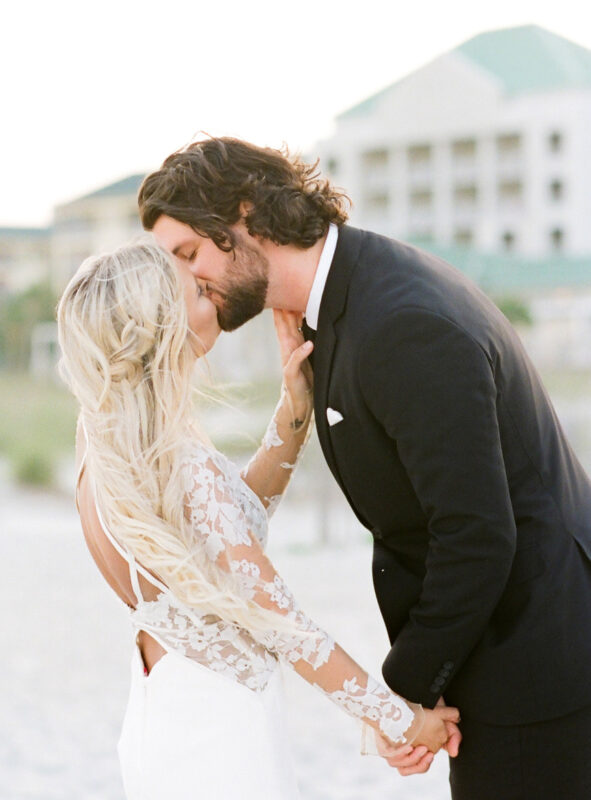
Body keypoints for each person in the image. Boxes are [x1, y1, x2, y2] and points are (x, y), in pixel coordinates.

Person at [138, 136, 591, 800]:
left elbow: (474, 536)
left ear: (243, 215)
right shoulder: (353, 297)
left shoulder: (402, 321)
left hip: (536, 668)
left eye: (189, 253)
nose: (190, 280)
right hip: (508, 654)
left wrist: (403, 695)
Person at [56, 238, 457, 800]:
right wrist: (402, 720)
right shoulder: (180, 465)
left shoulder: (104, 444)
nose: (212, 290)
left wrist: (294, 408)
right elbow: (286, 627)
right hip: (220, 739)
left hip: (160, 721)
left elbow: (228, 529)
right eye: (196, 290)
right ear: (163, 325)